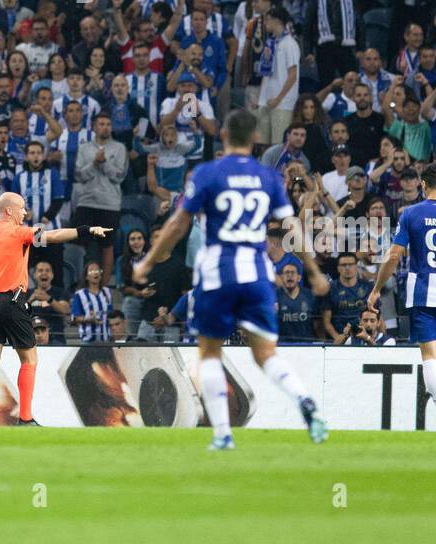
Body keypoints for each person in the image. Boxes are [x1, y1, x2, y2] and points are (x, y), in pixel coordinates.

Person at [132, 108, 330, 450]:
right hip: (257, 273)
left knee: (209, 353)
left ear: (223, 136)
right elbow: (293, 227)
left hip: (217, 273)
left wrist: (148, 260)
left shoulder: (209, 173)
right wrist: (312, 271)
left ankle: (223, 433)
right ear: (255, 139)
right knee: (266, 353)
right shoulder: (269, 178)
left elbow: (179, 223)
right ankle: (304, 400)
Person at [0, 190, 110, 426]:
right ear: (8, 210)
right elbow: (54, 236)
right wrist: (85, 230)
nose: (25, 212)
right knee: (29, 359)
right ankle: (25, 418)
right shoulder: (19, 232)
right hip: (12, 300)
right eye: (22, 208)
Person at [370, 161, 436, 431]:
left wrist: (375, 289)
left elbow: (394, 255)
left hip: (420, 292)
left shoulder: (410, 214)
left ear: (423, 185)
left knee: (430, 356)